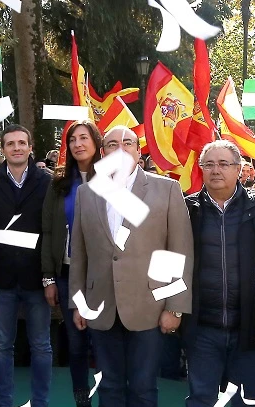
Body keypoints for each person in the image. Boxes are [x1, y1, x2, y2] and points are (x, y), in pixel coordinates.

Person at [69, 126, 193, 407]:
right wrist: (78, 302)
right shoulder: (86, 193)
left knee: (143, 388)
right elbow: (80, 254)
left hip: (149, 307)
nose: (121, 149)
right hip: (100, 307)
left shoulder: (167, 189)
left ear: (139, 152)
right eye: (112, 144)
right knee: (109, 388)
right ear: (103, 154)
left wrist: (174, 307)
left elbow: (179, 251)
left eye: (128, 143)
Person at [0, 124, 53, 407]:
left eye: (22, 143)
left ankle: (41, 402)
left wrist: (50, 277)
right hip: (1, 279)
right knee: (2, 346)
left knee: (42, 346)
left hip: (37, 279)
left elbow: (52, 232)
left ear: (31, 147)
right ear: (4, 149)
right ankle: (4, 403)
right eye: (11, 143)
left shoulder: (47, 182)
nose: (17, 148)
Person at [182, 140, 255, 406]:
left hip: (249, 326)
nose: (216, 170)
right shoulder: (186, 210)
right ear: (201, 169)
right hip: (203, 327)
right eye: (209, 164)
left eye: (224, 164)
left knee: (246, 401)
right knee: (201, 399)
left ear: (239, 169)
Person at [41, 120, 102, 407]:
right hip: (67, 273)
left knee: (104, 343)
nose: (78, 144)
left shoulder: (113, 180)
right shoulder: (60, 183)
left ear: (96, 142)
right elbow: (48, 231)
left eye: (83, 138)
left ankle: (110, 395)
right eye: (72, 139)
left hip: (104, 276)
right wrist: (49, 278)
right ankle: (82, 400)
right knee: (77, 344)